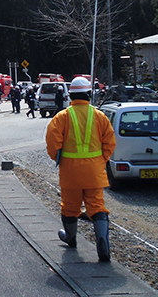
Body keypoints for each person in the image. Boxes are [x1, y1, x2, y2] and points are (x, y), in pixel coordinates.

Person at [45, 76, 116, 262]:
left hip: (70, 172)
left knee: (70, 206)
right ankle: (103, 246)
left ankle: (70, 238)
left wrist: (60, 160)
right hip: (94, 171)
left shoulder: (62, 117)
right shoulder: (100, 116)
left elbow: (52, 144)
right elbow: (110, 142)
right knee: (97, 206)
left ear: (71, 95)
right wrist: (100, 161)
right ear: (89, 94)